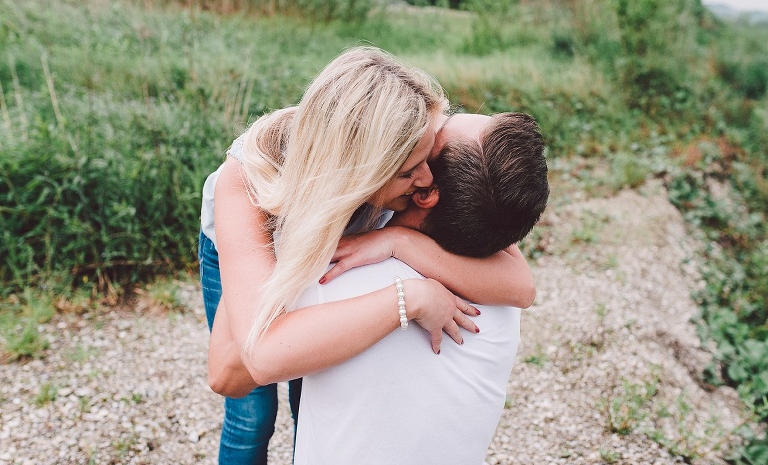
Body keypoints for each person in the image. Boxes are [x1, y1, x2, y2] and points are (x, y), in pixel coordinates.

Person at [200, 47, 536, 464]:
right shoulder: (254, 181)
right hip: (250, 239)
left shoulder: (419, 140)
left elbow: (521, 287)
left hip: (326, 220)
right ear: (363, 171)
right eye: (411, 171)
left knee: (316, 390)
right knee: (251, 416)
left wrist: (400, 241)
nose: (428, 180)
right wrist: (409, 297)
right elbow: (240, 364)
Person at [292, 112, 549, 465]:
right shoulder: (493, 292)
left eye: (443, 124)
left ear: (424, 187)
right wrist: (401, 242)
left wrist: (399, 240)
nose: (436, 115)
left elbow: (233, 370)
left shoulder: (331, 276)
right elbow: (523, 288)